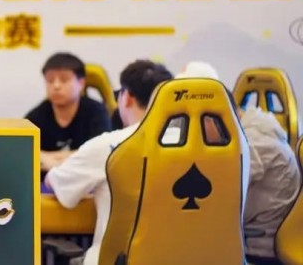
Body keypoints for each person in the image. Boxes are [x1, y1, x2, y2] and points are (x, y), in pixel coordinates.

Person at [45, 59, 173, 265]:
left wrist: (50, 161)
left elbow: (55, 182)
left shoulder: (107, 146)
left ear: (127, 97)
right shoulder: (207, 149)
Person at [177, 61, 301, 264]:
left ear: (211, 116)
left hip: (259, 252)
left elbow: (214, 200)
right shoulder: (245, 129)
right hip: (245, 242)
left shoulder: (255, 142)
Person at [24, 53, 110, 176]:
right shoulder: (37, 115)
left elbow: (100, 152)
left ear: (81, 83)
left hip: (86, 180)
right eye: (50, 80)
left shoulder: (96, 111)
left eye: (64, 80)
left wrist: (50, 159)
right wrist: (74, 157)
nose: (56, 86)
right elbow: (23, 150)